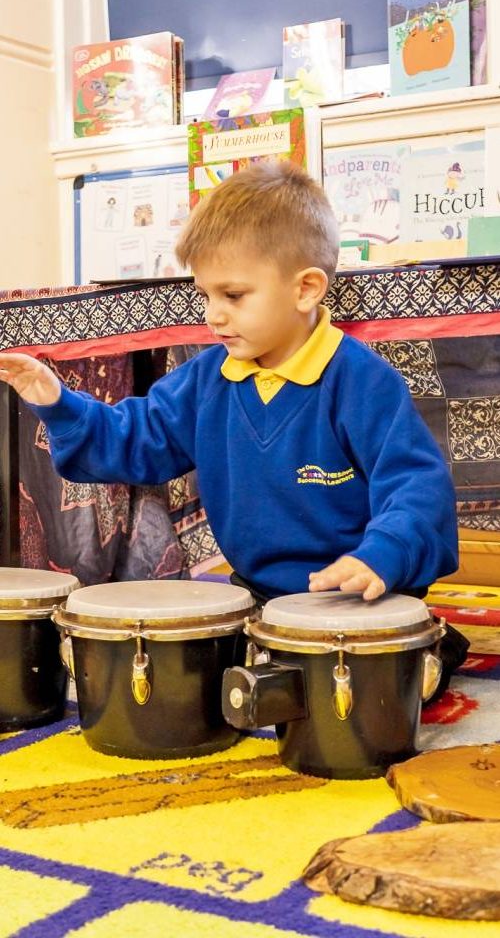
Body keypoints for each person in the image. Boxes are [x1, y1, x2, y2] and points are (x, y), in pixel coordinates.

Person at [0, 160, 465, 690]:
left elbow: (416, 486)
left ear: (306, 289)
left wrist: (381, 556)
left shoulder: (362, 381)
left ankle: (428, 649)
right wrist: (58, 403)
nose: (214, 316)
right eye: (206, 296)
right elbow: (135, 437)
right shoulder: (207, 379)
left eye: (234, 295)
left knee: (359, 702)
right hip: (257, 593)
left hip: (366, 594)